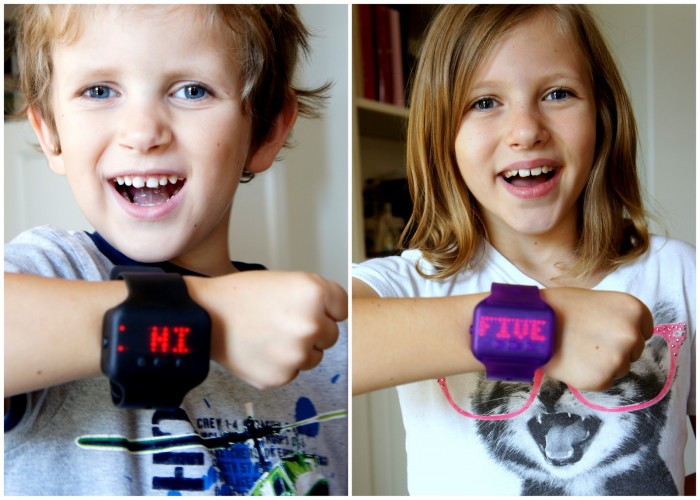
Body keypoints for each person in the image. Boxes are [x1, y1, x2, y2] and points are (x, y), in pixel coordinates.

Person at [5, 5, 348, 495]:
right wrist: (209, 319)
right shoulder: (51, 273)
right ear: (49, 133)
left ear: (267, 129)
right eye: (99, 91)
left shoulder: (319, 341)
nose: (143, 133)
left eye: (192, 90)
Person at [352, 5, 694, 496]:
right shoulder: (411, 284)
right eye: (485, 102)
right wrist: (542, 326)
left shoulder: (680, 275)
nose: (526, 130)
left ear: (602, 114)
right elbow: (340, 339)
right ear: (441, 134)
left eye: (558, 93)